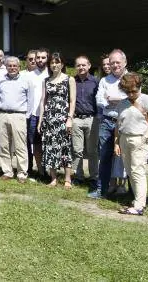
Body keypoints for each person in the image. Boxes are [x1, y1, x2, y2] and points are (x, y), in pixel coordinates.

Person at [114, 72, 148, 215]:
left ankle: (139, 206)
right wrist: (116, 143)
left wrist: (144, 138)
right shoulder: (122, 103)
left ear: (139, 86)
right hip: (124, 138)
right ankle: (137, 200)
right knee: (130, 172)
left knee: (138, 171)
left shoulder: (147, 100)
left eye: (134, 91)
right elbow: (118, 124)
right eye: (128, 91)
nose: (131, 94)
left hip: (140, 138)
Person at [89, 49, 129, 199]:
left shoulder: (132, 78)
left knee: (127, 157)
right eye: (112, 63)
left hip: (125, 122)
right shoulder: (105, 80)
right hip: (107, 122)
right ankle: (102, 190)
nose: (115, 65)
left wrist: (114, 99)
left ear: (125, 62)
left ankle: (132, 192)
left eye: (118, 62)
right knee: (104, 156)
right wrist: (112, 100)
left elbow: (132, 98)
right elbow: (99, 100)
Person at [37, 53, 76, 188]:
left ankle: (67, 179)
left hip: (63, 119)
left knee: (65, 148)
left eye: (57, 62)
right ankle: (53, 178)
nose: (54, 65)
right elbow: (43, 101)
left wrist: (69, 119)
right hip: (49, 119)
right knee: (49, 148)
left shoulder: (69, 79)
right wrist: (40, 120)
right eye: (52, 63)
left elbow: (72, 101)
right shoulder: (46, 81)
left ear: (62, 64)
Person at [0, 57, 31, 183]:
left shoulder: (25, 81)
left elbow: (30, 100)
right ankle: (7, 171)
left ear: (19, 67)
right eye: (9, 66)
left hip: (19, 115)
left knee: (20, 146)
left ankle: (22, 173)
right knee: (3, 145)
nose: (12, 68)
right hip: (2, 114)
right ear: (6, 66)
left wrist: (26, 116)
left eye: (14, 66)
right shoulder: (0, 80)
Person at [71, 56, 99, 184]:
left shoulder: (95, 82)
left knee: (92, 151)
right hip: (76, 119)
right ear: (75, 67)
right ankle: (78, 176)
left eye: (83, 65)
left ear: (89, 66)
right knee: (77, 150)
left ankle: (94, 176)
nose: (81, 67)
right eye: (78, 65)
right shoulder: (72, 81)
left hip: (91, 119)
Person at [27, 48, 49, 177]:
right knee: (36, 144)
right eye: (38, 57)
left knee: (49, 144)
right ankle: (41, 171)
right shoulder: (28, 76)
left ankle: (51, 171)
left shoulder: (51, 74)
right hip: (34, 115)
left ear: (47, 58)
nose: (40, 60)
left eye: (43, 57)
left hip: (50, 115)